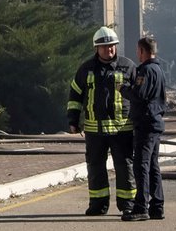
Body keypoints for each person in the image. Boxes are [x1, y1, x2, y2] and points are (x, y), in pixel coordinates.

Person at [66, 26, 137, 216]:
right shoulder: (86, 69)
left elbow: (138, 96)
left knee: (124, 167)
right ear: (96, 49)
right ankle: (97, 204)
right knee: (96, 167)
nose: (109, 50)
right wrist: (73, 119)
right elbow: (75, 95)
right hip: (94, 130)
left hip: (122, 129)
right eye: (105, 47)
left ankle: (128, 204)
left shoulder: (128, 66)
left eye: (112, 46)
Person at [119, 35, 167, 221]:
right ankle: (157, 206)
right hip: (155, 122)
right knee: (153, 166)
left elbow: (138, 94)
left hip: (145, 124)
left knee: (141, 165)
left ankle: (141, 207)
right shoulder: (160, 71)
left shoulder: (145, 71)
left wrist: (122, 89)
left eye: (138, 51)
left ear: (142, 51)